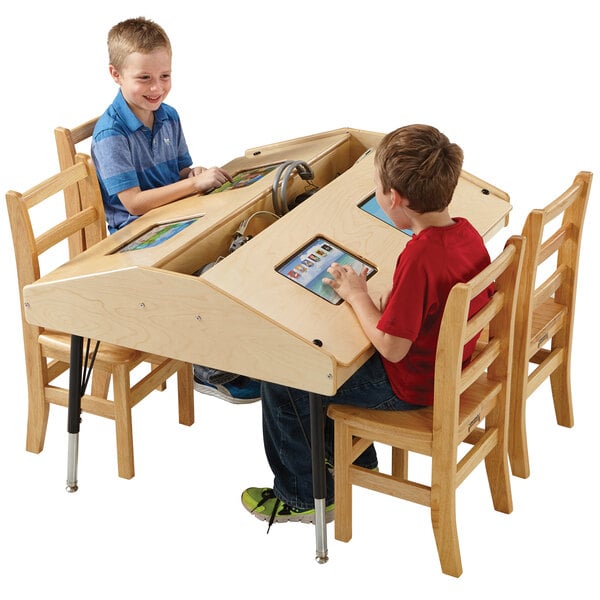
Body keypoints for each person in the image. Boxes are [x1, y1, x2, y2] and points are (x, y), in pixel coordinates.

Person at [241, 124, 493, 526]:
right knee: (334, 356)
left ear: (394, 199)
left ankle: (302, 495)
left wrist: (358, 296)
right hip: (444, 367)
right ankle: (355, 456)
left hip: (412, 386)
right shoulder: (465, 233)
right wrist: (388, 306)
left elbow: (392, 348)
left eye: (377, 188)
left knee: (286, 376)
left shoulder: (421, 257)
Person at [91, 16, 260, 404]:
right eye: (145, 78)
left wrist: (192, 173)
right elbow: (131, 202)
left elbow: (181, 168)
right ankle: (204, 369)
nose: (157, 88)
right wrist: (191, 185)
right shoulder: (111, 133)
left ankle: (230, 353)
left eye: (164, 76)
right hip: (138, 237)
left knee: (239, 249)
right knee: (211, 274)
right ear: (116, 74)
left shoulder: (169, 116)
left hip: (174, 217)